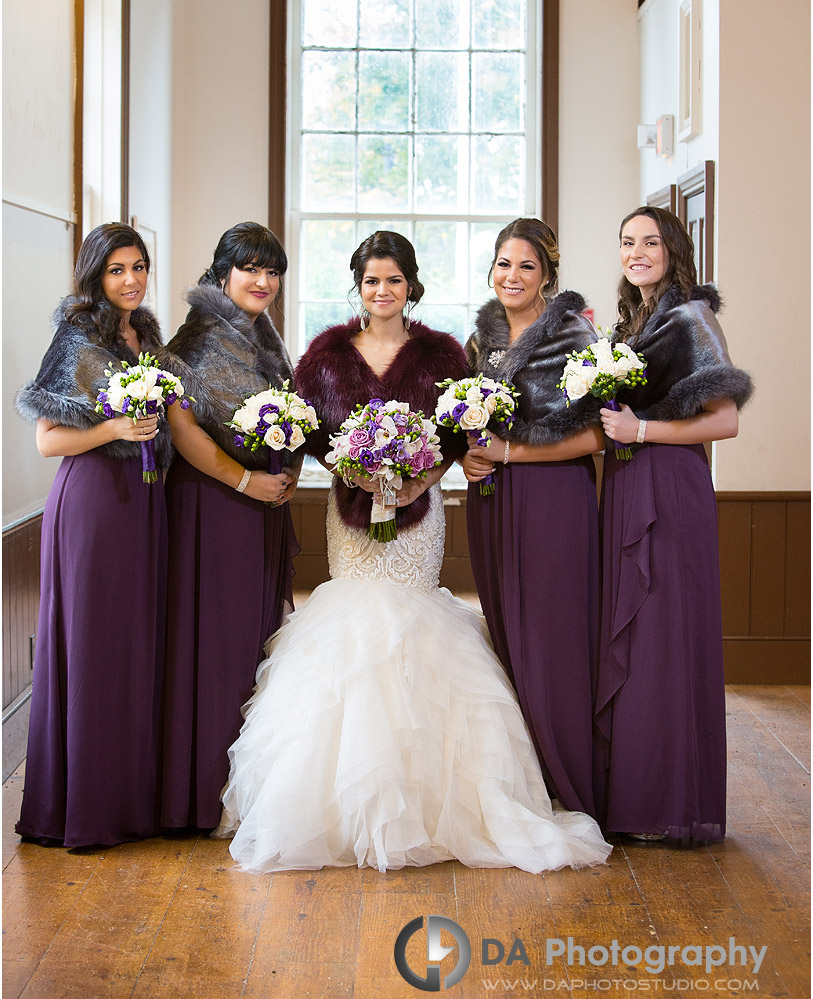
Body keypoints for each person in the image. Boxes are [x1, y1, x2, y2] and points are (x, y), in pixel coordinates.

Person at [215, 230, 611, 874]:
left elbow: (463, 426)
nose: (382, 292)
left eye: (393, 280)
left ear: (411, 286)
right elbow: (306, 427)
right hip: (349, 518)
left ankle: (436, 803)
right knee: (354, 630)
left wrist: (420, 479)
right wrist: (354, 470)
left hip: (420, 519)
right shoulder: (324, 354)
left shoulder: (443, 353)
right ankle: (341, 807)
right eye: (371, 281)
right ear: (358, 286)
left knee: (411, 626)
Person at [595, 207, 752, 843]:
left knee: (665, 640)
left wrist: (644, 431)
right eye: (628, 242)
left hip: (672, 488)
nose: (637, 253)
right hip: (631, 483)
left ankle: (672, 804)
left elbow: (726, 420)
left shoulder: (692, 317)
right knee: (638, 646)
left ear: (674, 249)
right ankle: (636, 797)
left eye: (650, 242)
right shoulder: (634, 323)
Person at [15, 223, 170, 847]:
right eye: (116, 271)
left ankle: (132, 801)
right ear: (94, 276)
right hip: (95, 506)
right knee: (92, 646)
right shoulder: (78, 336)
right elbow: (47, 438)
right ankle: (86, 808)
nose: (130, 280)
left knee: (133, 646)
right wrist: (114, 431)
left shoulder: (146, 336)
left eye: (138, 267)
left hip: (144, 504)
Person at [160, 222, 300, 832]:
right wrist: (247, 482)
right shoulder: (197, 342)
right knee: (219, 645)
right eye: (251, 269)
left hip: (260, 505)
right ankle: (205, 793)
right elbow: (186, 432)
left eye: (272, 272)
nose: (263, 282)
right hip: (214, 505)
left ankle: (252, 788)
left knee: (255, 641)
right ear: (223, 275)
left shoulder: (262, 336)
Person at [462, 218, 604, 817]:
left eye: (525, 266)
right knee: (508, 638)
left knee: (553, 644)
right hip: (492, 500)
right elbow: (471, 417)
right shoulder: (481, 338)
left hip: (553, 502)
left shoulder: (574, 336)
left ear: (547, 273)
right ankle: (529, 778)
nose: (511, 276)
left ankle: (576, 784)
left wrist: (510, 452)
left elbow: (598, 434)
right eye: (503, 263)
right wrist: (471, 452)